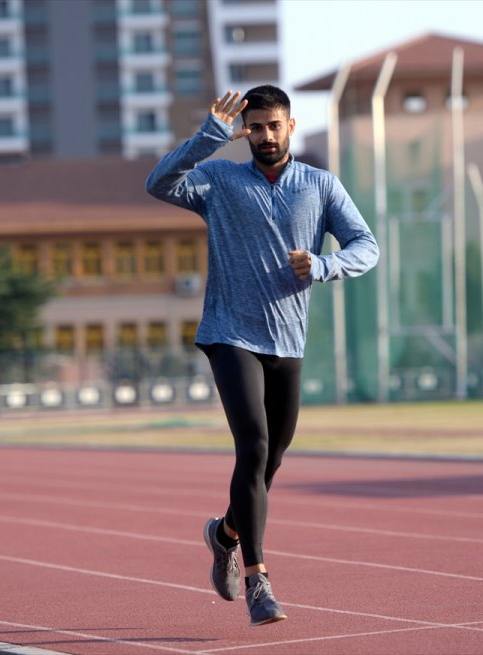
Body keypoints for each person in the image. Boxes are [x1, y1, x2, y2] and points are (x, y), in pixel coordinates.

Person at [145, 85, 378, 626]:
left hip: (287, 342)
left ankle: (224, 533)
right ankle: (258, 580)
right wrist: (209, 136)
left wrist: (323, 265)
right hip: (229, 333)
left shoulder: (321, 186)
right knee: (252, 444)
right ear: (245, 130)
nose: (266, 136)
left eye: (275, 126)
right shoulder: (219, 180)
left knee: (270, 459)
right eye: (256, 127)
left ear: (290, 127)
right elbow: (158, 183)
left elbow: (366, 245)